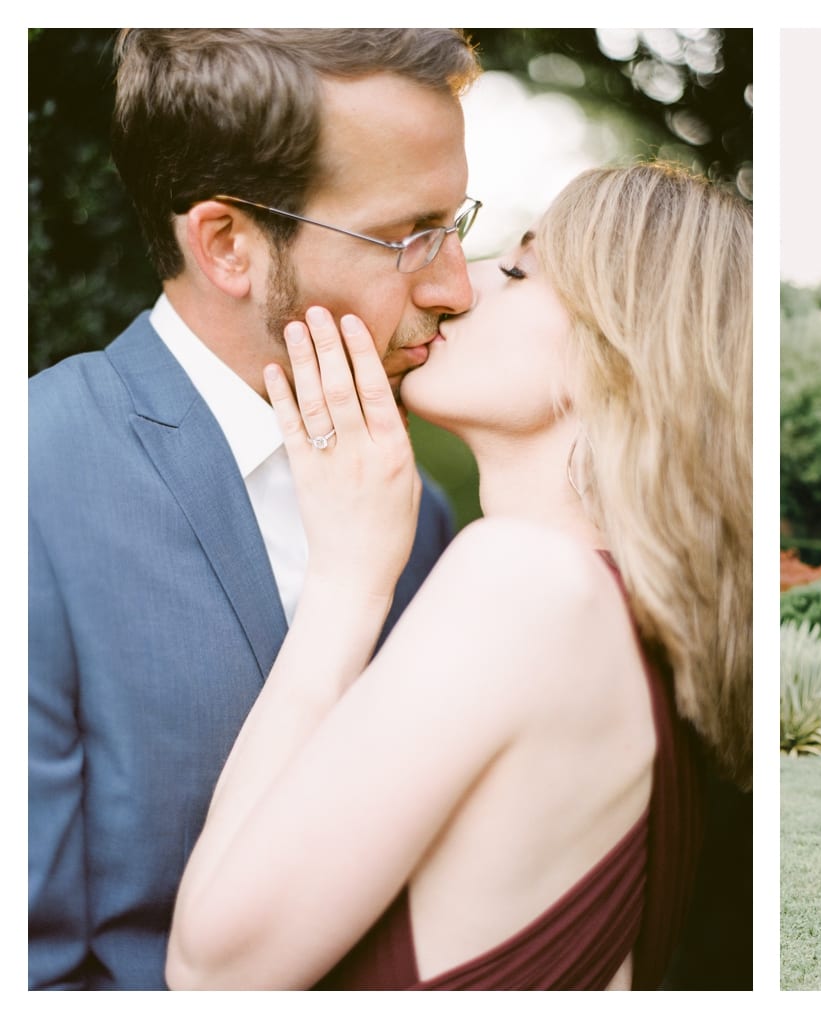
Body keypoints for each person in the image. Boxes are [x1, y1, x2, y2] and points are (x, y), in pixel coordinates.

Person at [160, 161, 753, 990]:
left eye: (516, 272)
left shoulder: (524, 582)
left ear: (614, 351)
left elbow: (213, 970)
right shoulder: (627, 617)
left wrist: (347, 585)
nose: (458, 288)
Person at [28, 29, 478, 990]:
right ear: (228, 244)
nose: (456, 287)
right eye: (409, 236)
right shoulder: (30, 476)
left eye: (458, 225)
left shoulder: (421, 512)